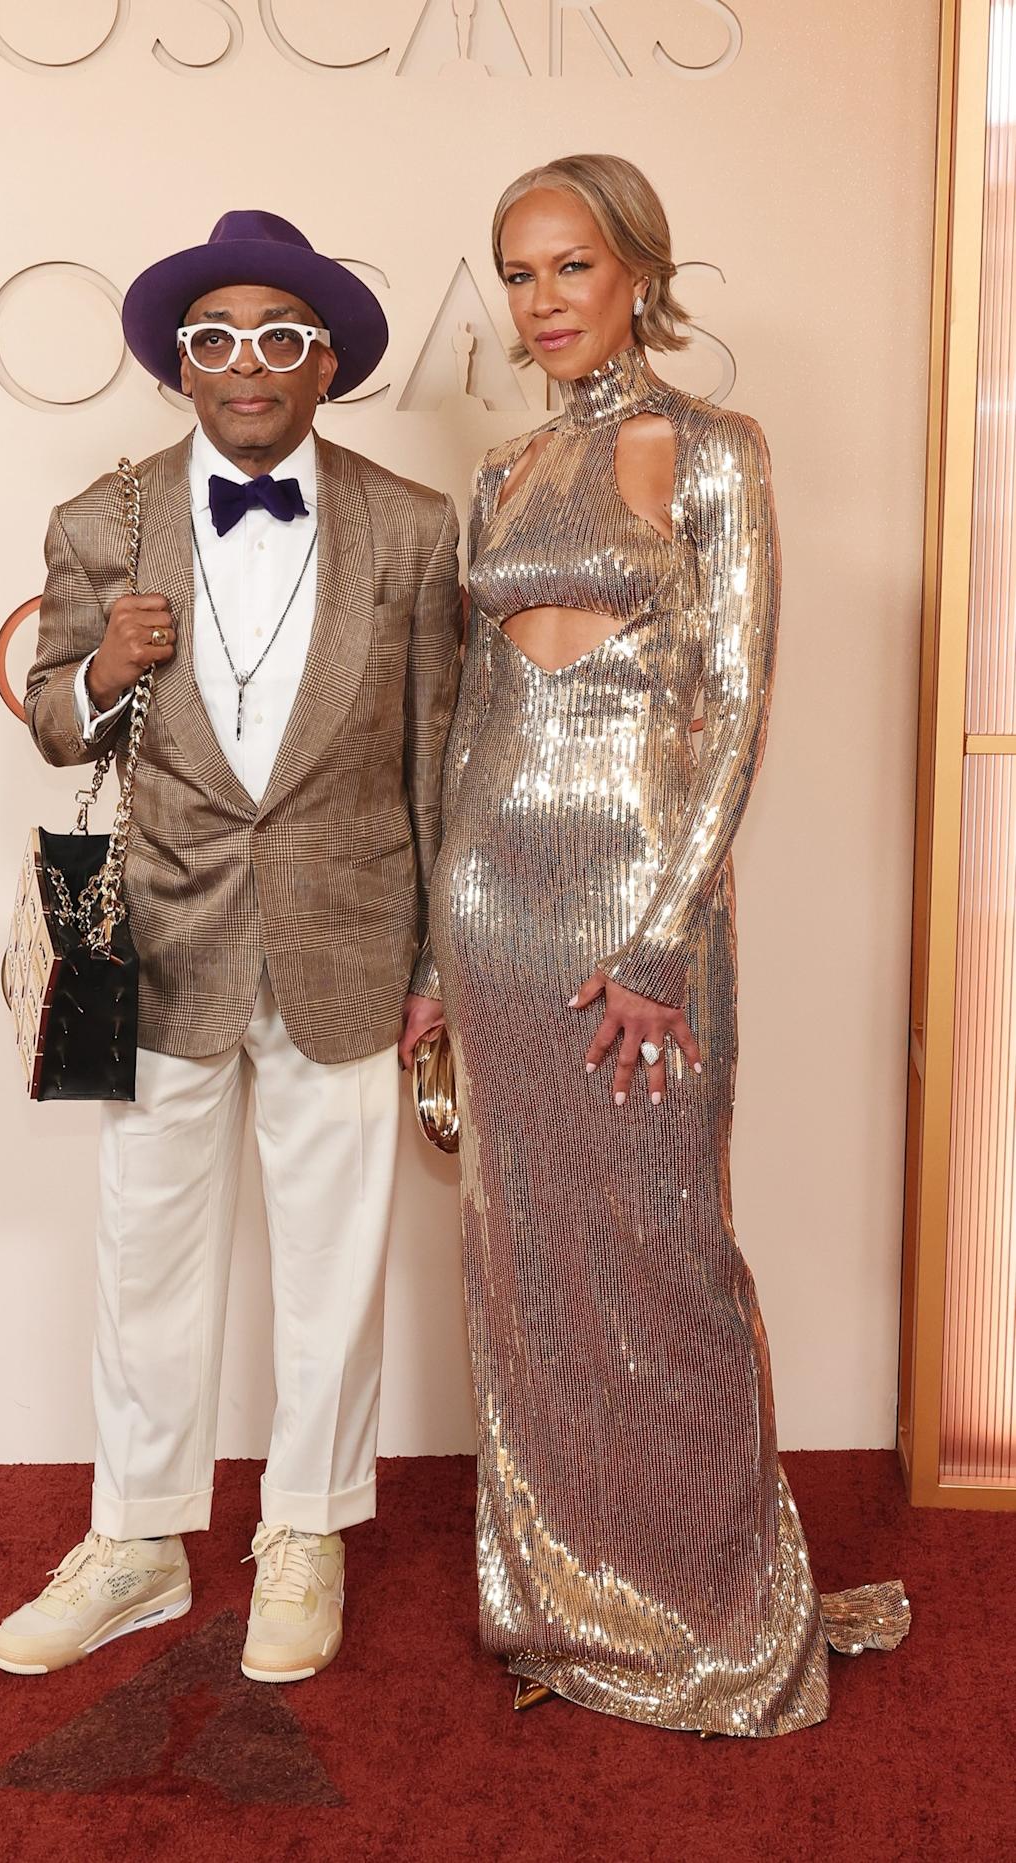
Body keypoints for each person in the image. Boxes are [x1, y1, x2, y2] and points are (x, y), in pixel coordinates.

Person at [417, 154, 909, 1735]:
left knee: (665, 1259)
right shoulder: (494, 477)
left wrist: (659, 942)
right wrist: (435, 950)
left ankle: (706, 1607)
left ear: (638, 267)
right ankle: (572, 1595)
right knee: (530, 1266)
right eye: (517, 273)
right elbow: (471, 718)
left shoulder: (709, 451)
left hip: (639, 910)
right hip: (494, 908)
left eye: (570, 266)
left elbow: (735, 709)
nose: (542, 301)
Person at [0, 211, 461, 1684]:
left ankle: (305, 1532)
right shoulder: (100, 520)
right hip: (165, 940)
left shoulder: (411, 525)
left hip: (351, 937)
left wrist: (438, 964)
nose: (245, 365)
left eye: (276, 339)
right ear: (178, 368)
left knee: (335, 1261)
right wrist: (100, 669)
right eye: (214, 341)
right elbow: (58, 722)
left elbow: (438, 757)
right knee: (146, 1249)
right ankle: (133, 1541)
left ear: (326, 364)